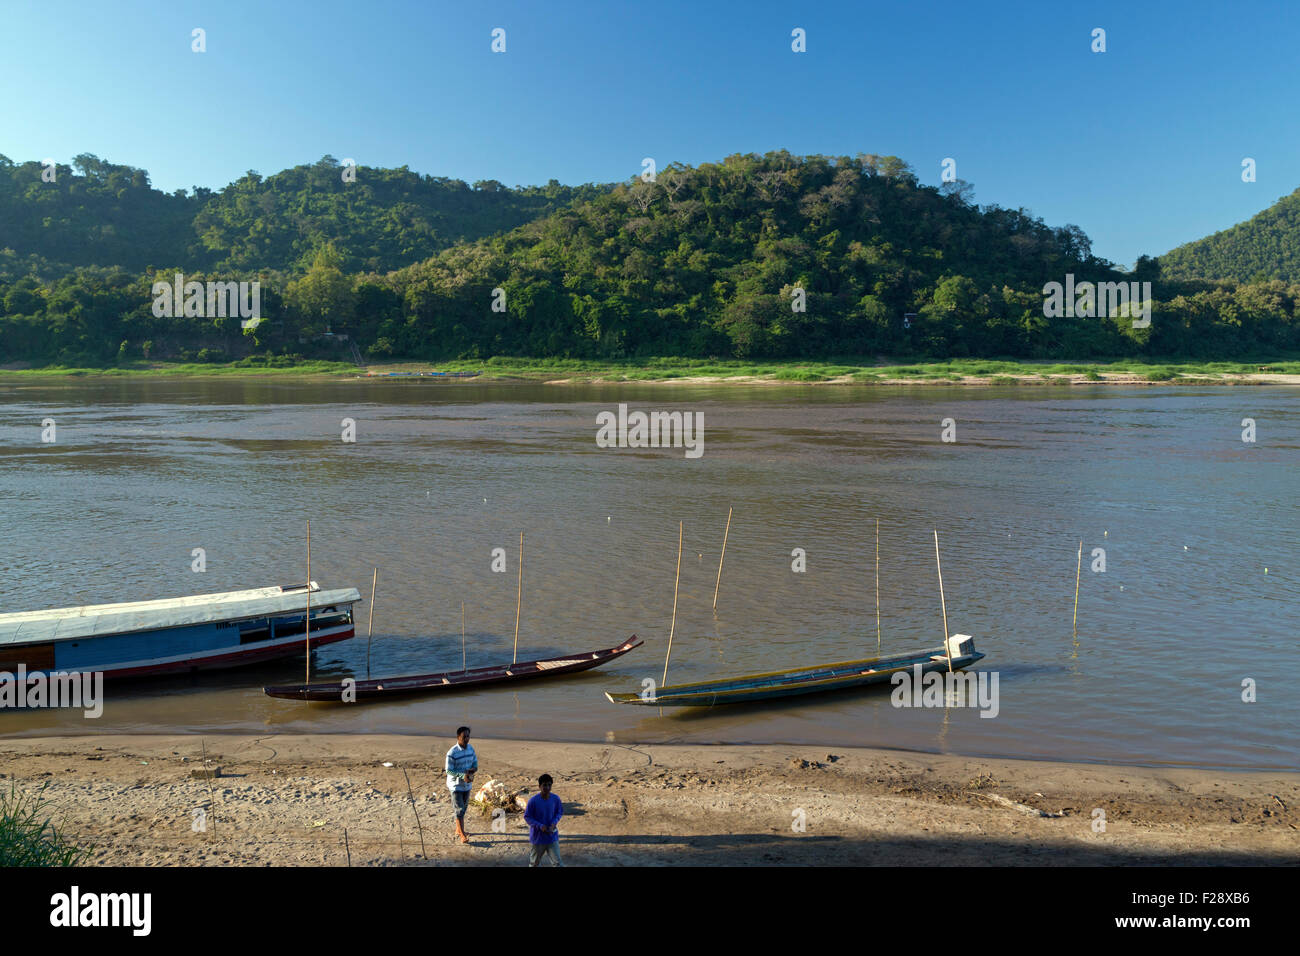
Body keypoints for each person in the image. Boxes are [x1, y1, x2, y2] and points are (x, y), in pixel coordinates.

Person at [444, 726, 477, 844]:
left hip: (467, 785)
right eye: (464, 737)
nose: (467, 739)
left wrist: (472, 770)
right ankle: (462, 834)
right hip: (455, 785)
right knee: (459, 809)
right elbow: (448, 771)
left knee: (464, 808)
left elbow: (475, 763)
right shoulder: (452, 753)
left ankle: (458, 829)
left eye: (468, 736)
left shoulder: (471, 749)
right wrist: (462, 776)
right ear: (458, 737)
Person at [523, 773, 564, 866]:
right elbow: (527, 817)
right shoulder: (533, 801)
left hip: (552, 837)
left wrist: (554, 823)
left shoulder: (555, 799)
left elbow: (559, 812)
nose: (547, 787)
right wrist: (540, 826)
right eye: (544, 785)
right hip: (538, 838)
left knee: (558, 863)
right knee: (534, 864)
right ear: (539, 786)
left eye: (549, 785)